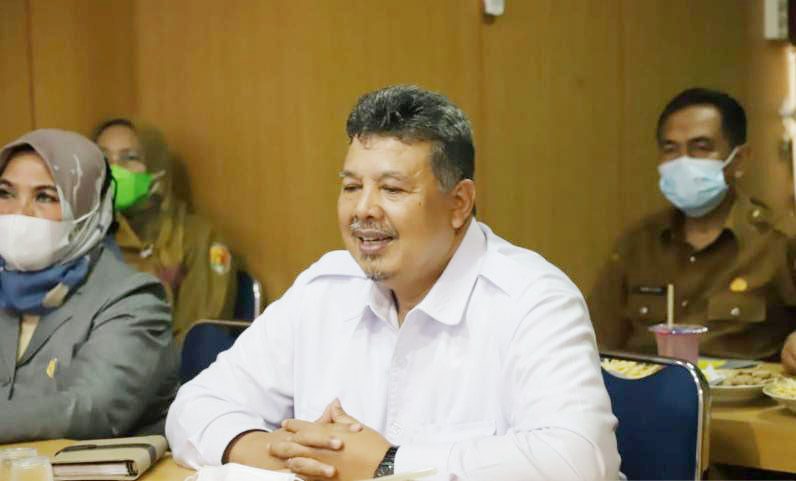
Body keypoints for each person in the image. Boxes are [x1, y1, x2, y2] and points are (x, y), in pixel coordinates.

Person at [166, 85, 620, 480]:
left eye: (392, 189)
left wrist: (387, 465)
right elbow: (195, 405)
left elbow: (579, 461)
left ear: (459, 203)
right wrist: (286, 453)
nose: (363, 210)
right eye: (351, 187)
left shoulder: (533, 299)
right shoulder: (324, 288)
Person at [588, 87, 796, 373]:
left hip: (742, 399)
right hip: (646, 396)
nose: (683, 162)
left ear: (739, 160)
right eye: (670, 149)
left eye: (701, 147)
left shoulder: (780, 240)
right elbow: (595, 343)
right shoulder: (637, 244)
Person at [0, 129, 177, 442]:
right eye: (5, 193)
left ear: (87, 210)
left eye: (45, 197)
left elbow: (90, 410)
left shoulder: (133, 298)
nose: (19, 213)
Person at [92, 119, 237, 337]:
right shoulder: (89, 236)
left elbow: (200, 336)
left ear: (156, 168)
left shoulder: (198, 238)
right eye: (103, 158)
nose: (114, 169)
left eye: (129, 158)